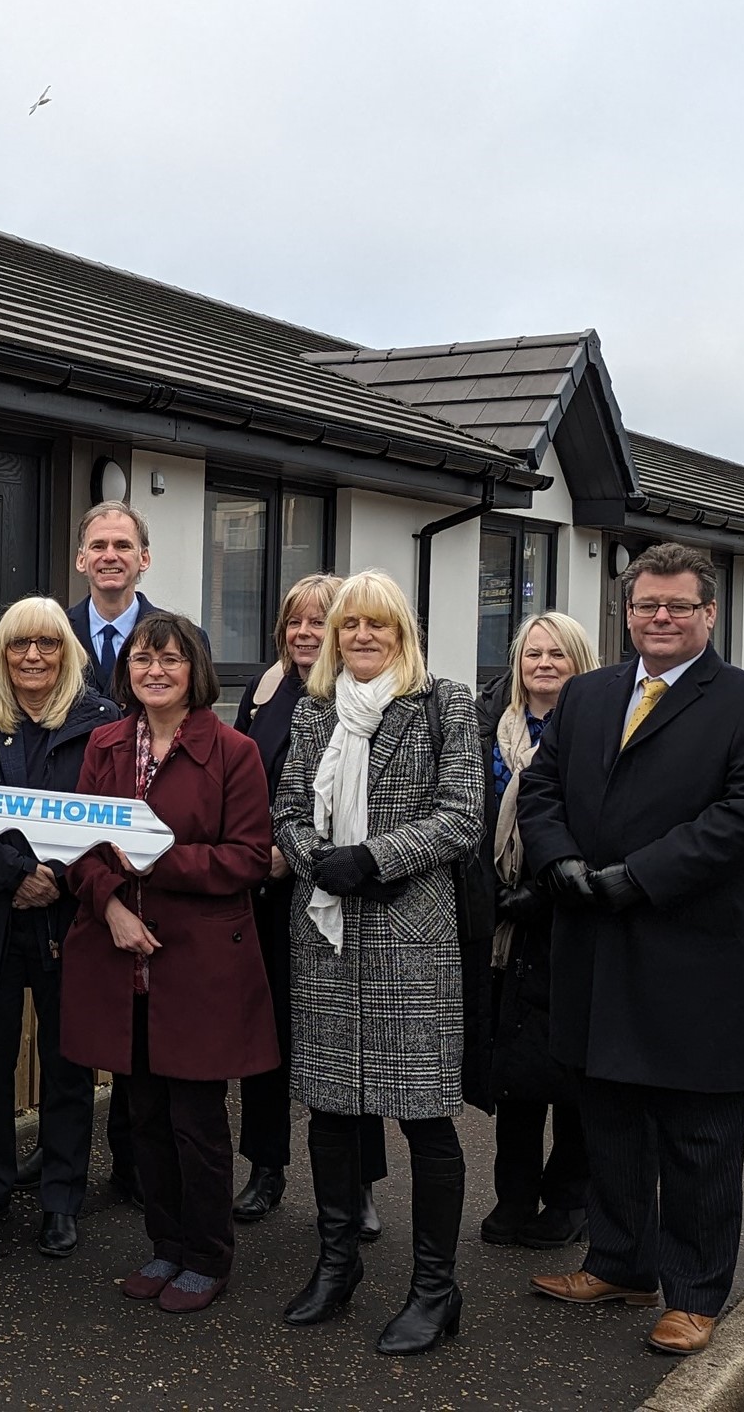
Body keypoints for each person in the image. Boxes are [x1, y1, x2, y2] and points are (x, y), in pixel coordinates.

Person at [520, 543, 744, 1357]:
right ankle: (620, 1263)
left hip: (692, 958)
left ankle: (695, 1294)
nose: (662, 618)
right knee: (608, 1120)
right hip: (596, 949)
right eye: (648, 605)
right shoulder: (588, 694)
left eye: (679, 606)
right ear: (629, 611)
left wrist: (635, 878)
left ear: (708, 615)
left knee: (698, 1137)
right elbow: (541, 788)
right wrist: (559, 859)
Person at [271, 568, 482, 1356]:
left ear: (403, 634)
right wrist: (314, 856)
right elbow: (287, 807)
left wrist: (373, 857)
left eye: (377, 626)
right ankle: (336, 1265)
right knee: (330, 1111)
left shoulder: (442, 703)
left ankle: (435, 1289)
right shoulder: (314, 711)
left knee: (425, 1118)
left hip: (407, 934)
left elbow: (461, 816)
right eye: (348, 626)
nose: (361, 637)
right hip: (326, 932)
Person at [62, 613, 276, 1312]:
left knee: (196, 1121)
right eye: (143, 660)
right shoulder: (104, 743)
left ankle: (207, 1256)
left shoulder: (234, 750)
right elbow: (83, 846)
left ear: (196, 672)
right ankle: (164, 1246)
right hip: (122, 954)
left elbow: (247, 858)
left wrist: (160, 859)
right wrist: (113, 908)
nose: (155, 671)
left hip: (200, 961)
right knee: (143, 1116)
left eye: (171, 660)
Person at [0, 598, 118, 1258]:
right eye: (20, 644)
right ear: (1, 652)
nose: (33, 656)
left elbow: (106, 811)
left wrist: (51, 871)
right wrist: (13, 872)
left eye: (48, 644)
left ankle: (60, 1197)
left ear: (68, 652)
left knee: (68, 1065)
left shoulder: (99, 721)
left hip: (68, 914)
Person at [230, 573, 390, 1237]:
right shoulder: (263, 694)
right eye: (294, 621)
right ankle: (266, 1168)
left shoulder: (364, 699)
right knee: (264, 1039)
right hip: (267, 895)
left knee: (343, 1042)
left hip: (337, 892)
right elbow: (240, 786)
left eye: (319, 621)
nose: (304, 633)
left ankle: (359, 1184)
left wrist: (299, 853)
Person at [477, 612, 598, 1252]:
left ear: (578, 663)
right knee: (513, 1072)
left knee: (570, 1072)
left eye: (557, 654)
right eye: (532, 653)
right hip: (500, 923)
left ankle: (569, 1199)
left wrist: (545, 889)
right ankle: (514, 1196)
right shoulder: (485, 726)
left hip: (566, 918)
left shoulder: (594, 729)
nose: (543, 664)